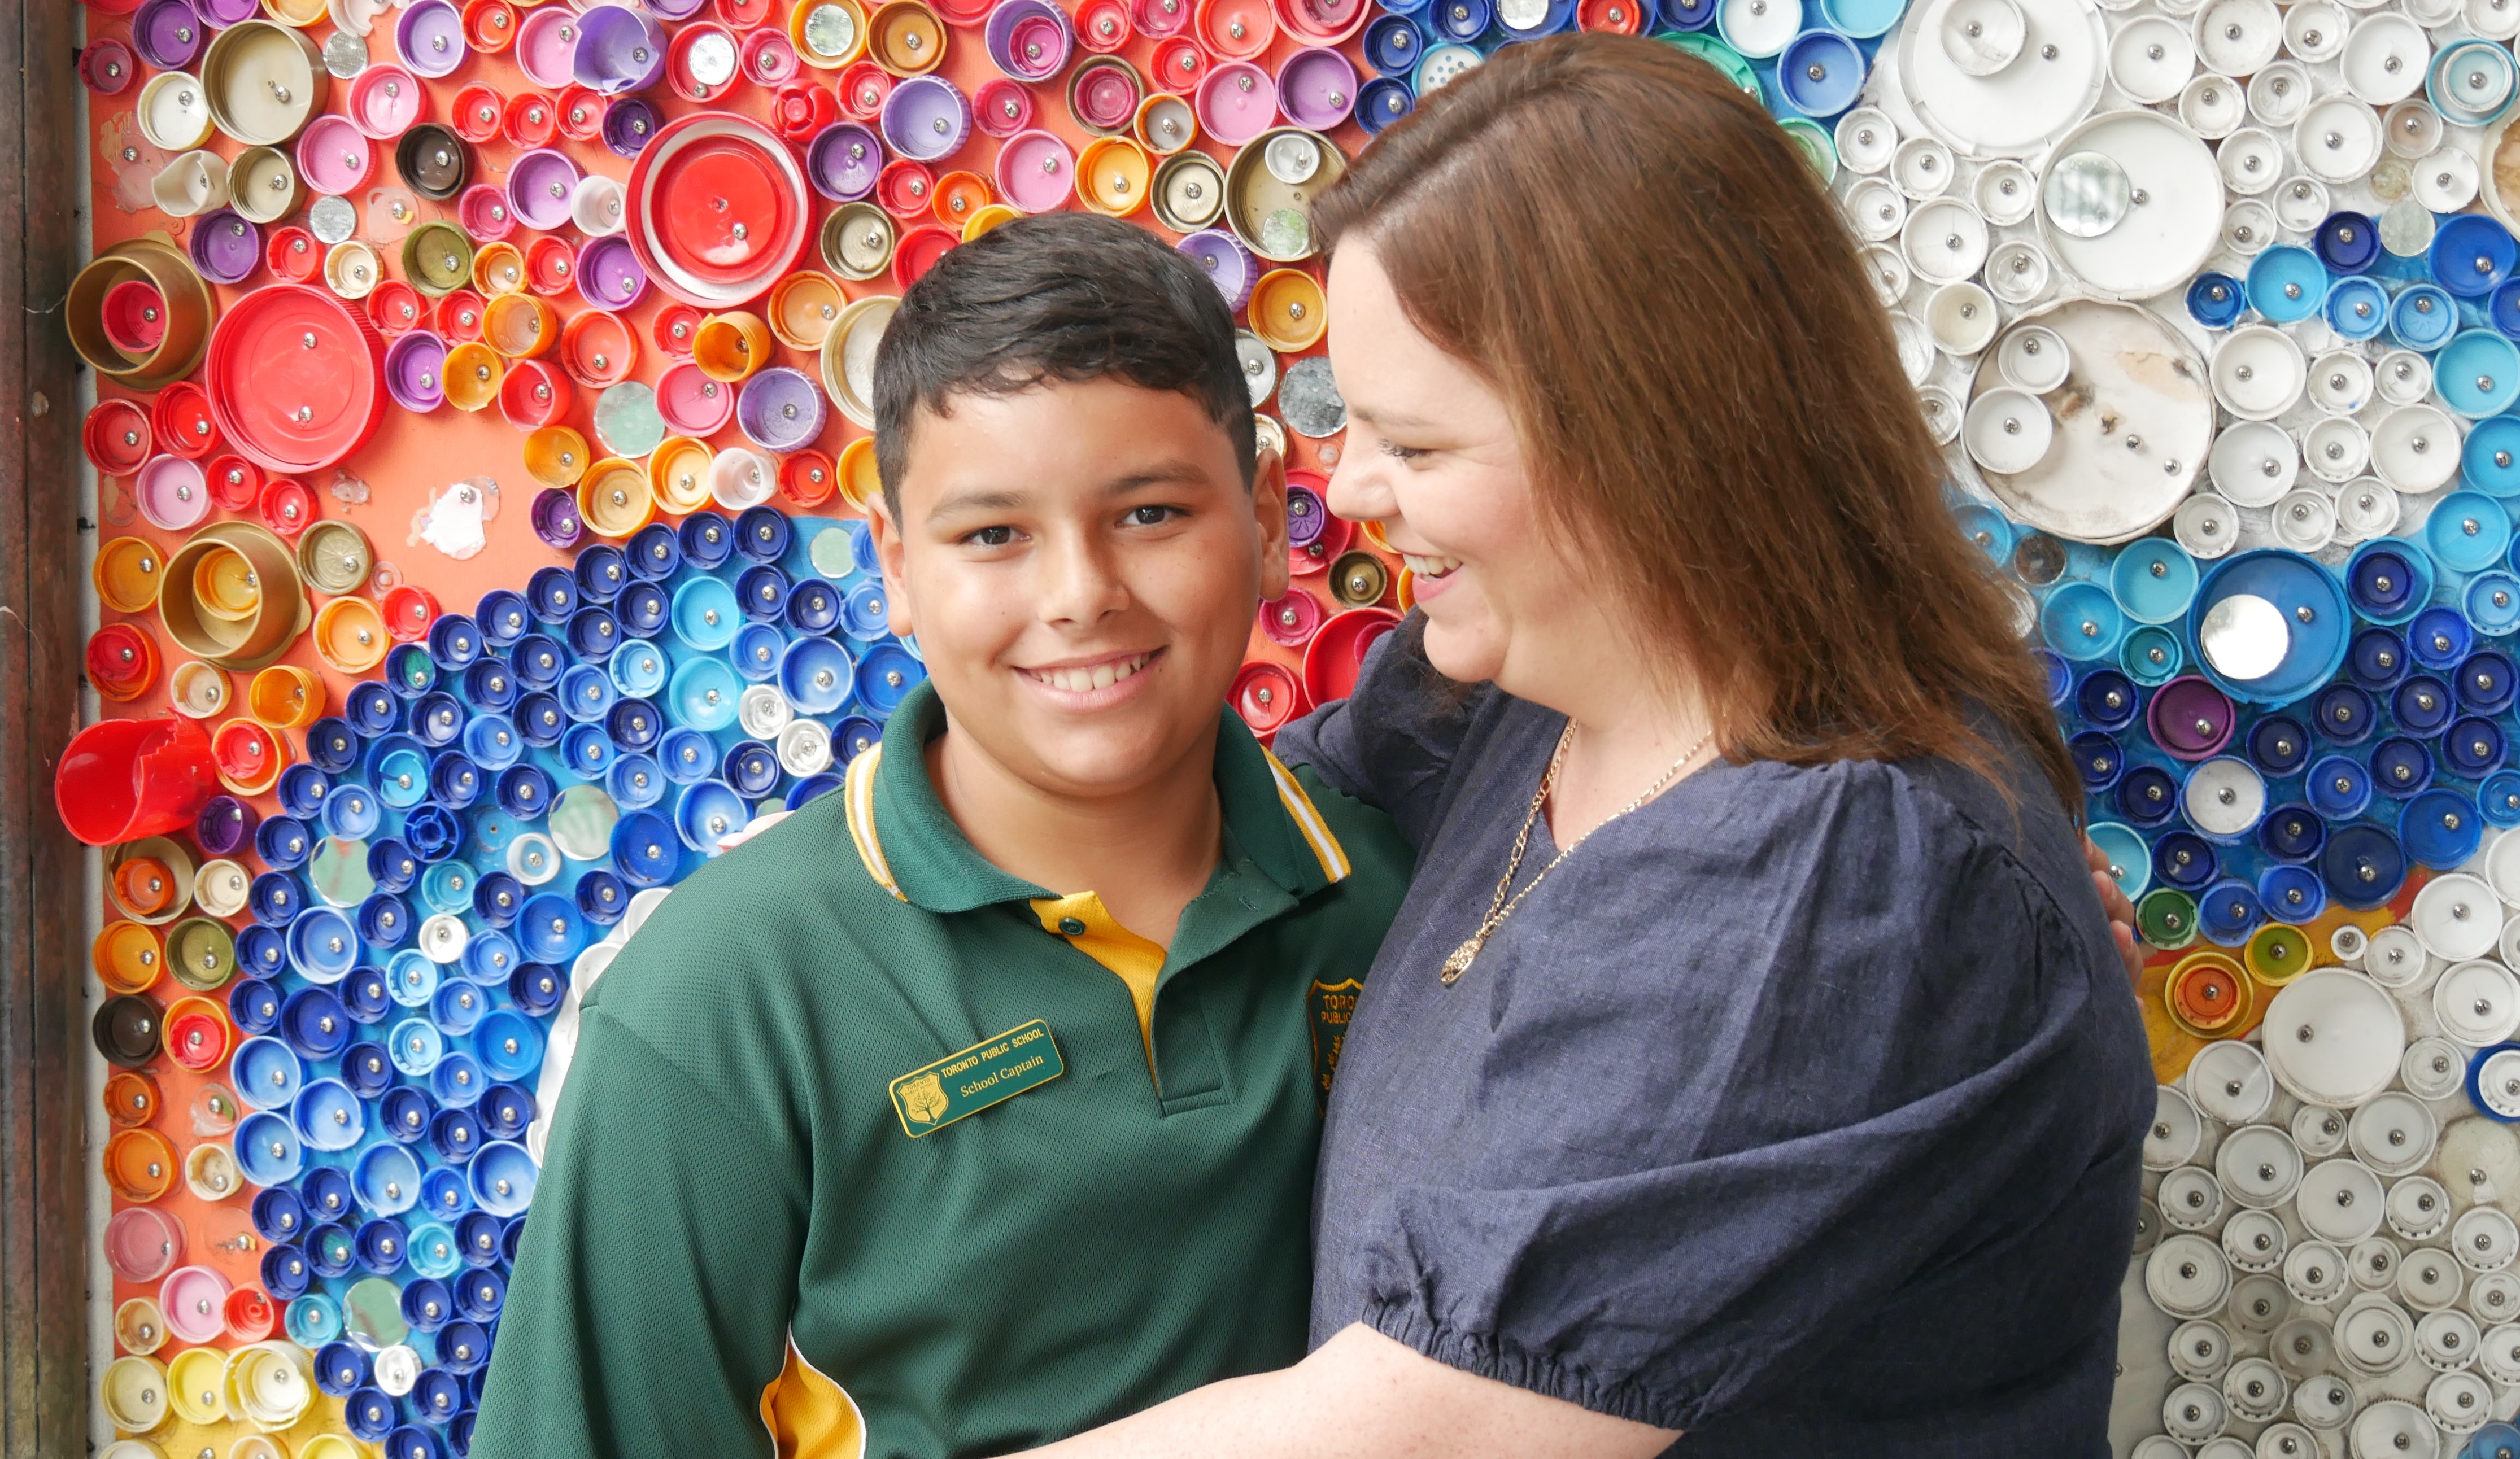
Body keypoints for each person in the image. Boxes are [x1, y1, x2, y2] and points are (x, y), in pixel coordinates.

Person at [1022, 33, 2155, 1459]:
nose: (1352, 487)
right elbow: (1224, 817)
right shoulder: (1517, 702)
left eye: (1417, 447)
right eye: (1353, 424)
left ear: (1650, 446)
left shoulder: (1836, 882)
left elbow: (1393, 1443)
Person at [474, 213, 1415, 1458]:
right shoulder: (720, 1000)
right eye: (992, 535)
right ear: (897, 566)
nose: (1080, 592)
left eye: (1148, 513)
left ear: (1266, 518)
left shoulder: (1403, 897)